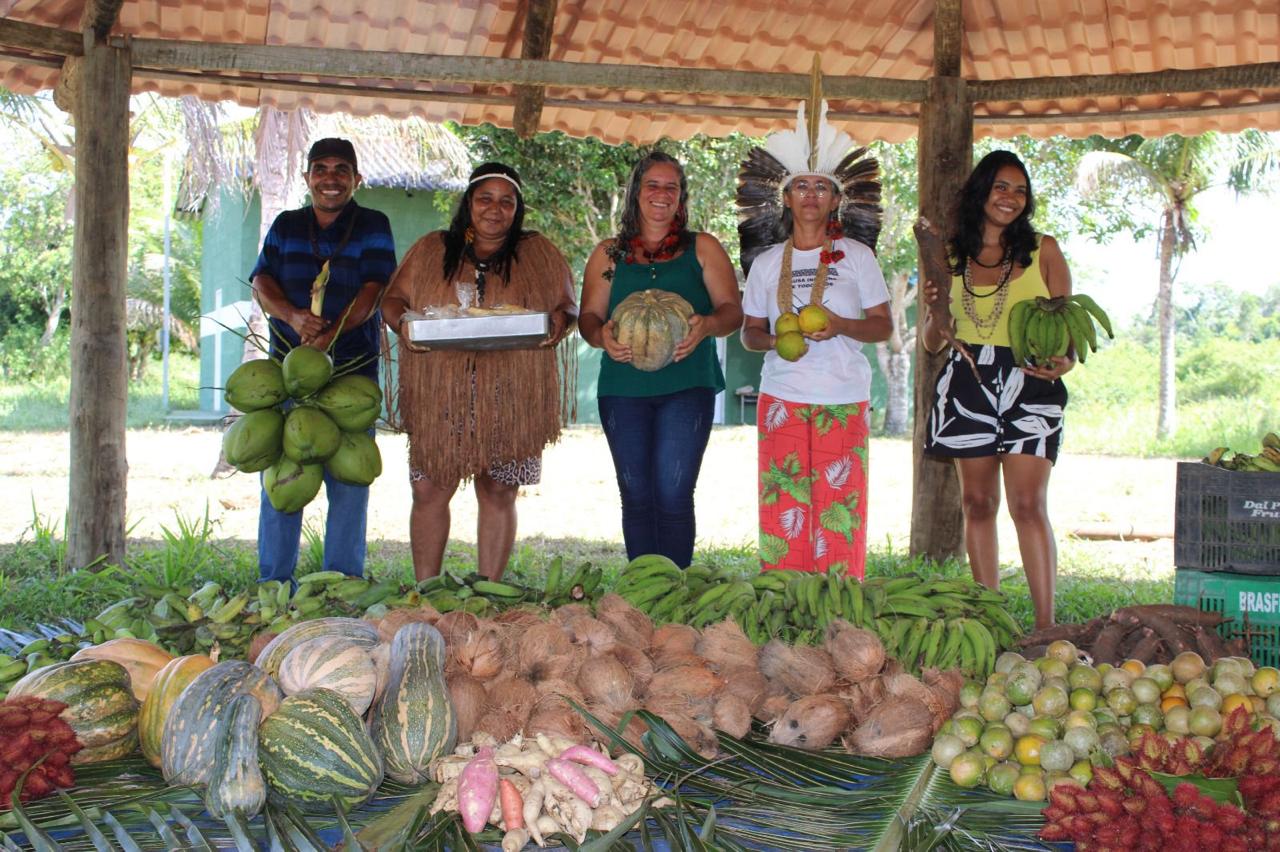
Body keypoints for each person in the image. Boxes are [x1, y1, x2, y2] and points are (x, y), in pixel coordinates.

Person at [382, 162, 577, 582]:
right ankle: (427, 588)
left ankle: (490, 588)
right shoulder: (433, 248)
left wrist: (560, 322)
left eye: (506, 201)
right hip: (443, 390)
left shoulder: (537, 251)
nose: (495, 209)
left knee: (500, 488)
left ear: (517, 209)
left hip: (512, 389)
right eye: (485, 198)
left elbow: (567, 304)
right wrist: (403, 325)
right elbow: (392, 300)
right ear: (468, 203)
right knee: (430, 488)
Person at [737, 102, 892, 578]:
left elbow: (883, 326)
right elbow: (749, 333)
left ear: (834, 200)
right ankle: (785, 603)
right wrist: (776, 340)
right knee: (783, 507)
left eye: (821, 186)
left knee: (838, 511)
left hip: (843, 397)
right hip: (782, 396)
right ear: (786, 197)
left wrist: (841, 326)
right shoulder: (765, 264)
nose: (810, 194)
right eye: (801, 185)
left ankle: (842, 612)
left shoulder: (858, 257)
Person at [921, 150, 1073, 629]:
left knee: (1028, 505)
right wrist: (934, 308)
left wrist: (1064, 361)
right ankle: (991, 618)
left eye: (1020, 190)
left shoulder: (1043, 250)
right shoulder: (948, 255)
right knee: (978, 503)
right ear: (982, 190)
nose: (1010, 198)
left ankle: (1046, 626)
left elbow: (1068, 331)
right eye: (1002, 187)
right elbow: (930, 342)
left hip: (1030, 380)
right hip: (968, 376)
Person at [579, 151, 743, 568]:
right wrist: (601, 336)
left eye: (671, 187)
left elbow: (731, 312)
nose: (661, 194)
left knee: (672, 493)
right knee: (636, 495)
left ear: (681, 198)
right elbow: (588, 318)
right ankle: (641, 592)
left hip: (688, 385)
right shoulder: (608, 255)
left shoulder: (702, 248)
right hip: (623, 389)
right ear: (636, 193)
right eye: (652, 185)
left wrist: (706, 325)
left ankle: (674, 592)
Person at [249, 137, 397, 583]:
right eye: (321, 169)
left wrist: (330, 334)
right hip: (287, 376)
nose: (330, 178)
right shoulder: (287, 225)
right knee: (282, 482)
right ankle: (273, 584)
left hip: (351, 375)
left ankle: (341, 586)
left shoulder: (373, 223)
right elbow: (261, 280)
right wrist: (296, 319)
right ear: (307, 177)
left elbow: (374, 290)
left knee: (350, 485)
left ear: (356, 179)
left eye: (340, 170)